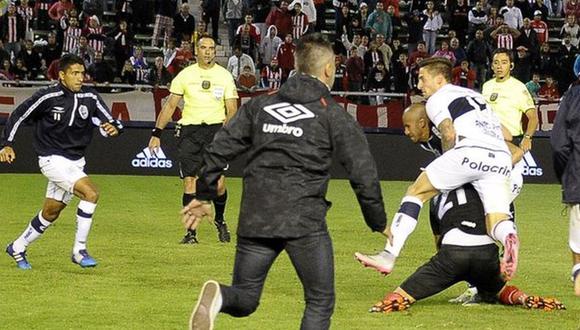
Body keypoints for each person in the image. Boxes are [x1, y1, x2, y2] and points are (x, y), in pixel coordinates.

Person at [182, 33, 388, 330]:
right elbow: (362, 171)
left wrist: (202, 194)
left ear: (296, 64)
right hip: (303, 220)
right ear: (329, 69)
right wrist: (377, 220)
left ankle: (221, 298)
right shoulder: (332, 114)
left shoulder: (259, 106)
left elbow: (218, 148)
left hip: (256, 216)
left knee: (246, 298)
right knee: (319, 301)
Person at [355, 57, 520, 282]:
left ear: (440, 79)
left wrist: (452, 164)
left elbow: (448, 132)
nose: (420, 85)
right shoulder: (475, 96)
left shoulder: (437, 99)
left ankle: (388, 256)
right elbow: (507, 134)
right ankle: (509, 236)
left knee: (416, 192)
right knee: (496, 220)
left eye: (423, 79)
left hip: (470, 151)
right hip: (499, 157)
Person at [1, 54, 123, 270]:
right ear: (62, 75)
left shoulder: (91, 97)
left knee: (51, 212)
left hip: (76, 162)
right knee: (91, 193)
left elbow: (112, 122)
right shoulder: (48, 96)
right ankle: (79, 250)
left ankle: (17, 247)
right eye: (74, 73)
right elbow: (18, 115)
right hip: (52, 159)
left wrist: (114, 129)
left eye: (82, 73)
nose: (79, 78)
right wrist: (6, 143)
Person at [148, 37, 237, 245]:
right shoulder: (185, 75)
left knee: (218, 184)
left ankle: (220, 219)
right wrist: (156, 133)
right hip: (189, 131)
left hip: (215, 131)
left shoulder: (224, 76)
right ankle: (191, 233)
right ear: (197, 51)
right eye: (204, 48)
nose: (208, 52)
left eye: (211, 48)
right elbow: (170, 106)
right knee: (190, 181)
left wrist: (227, 126)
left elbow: (232, 108)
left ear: (215, 51)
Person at [550, 72, 580, 296]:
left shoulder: (572, 96)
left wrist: (566, 175)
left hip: (578, 180)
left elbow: (559, 145)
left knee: (578, 240)